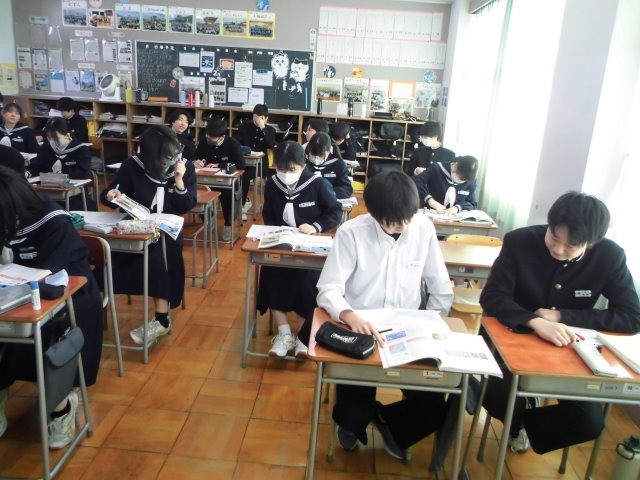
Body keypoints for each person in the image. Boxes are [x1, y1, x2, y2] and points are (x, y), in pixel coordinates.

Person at [479, 191, 640, 454]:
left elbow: (631, 317)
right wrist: (533, 321)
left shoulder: (609, 256)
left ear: (590, 243)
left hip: (570, 350)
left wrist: (562, 316)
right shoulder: (520, 241)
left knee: (588, 423)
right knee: (498, 398)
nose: (558, 249)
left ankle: (525, 423)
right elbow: (493, 296)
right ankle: (516, 421)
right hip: (513, 337)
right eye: (554, 237)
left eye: (571, 246)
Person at [316, 171, 454, 459]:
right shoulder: (352, 232)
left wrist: (431, 321)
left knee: (432, 406)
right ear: (373, 213)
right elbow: (328, 288)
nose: (399, 227)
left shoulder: (423, 228)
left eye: (405, 220)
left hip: (409, 328)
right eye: (390, 222)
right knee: (353, 414)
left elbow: (440, 285)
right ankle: (354, 422)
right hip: (361, 329)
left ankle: (388, 422)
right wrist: (349, 314)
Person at [0, 165, 103, 449]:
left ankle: (62, 406)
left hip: (68, 295)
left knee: (48, 335)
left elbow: (56, 275)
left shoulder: (54, 221)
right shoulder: (7, 216)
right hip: (15, 295)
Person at [100, 125, 197, 345]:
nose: (171, 161)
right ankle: (96, 306)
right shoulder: (132, 165)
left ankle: (161, 318)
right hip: (136, 228)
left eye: (174, 154)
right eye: (165, 158)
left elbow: (185, 206)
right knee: (108, 259)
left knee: (158, 253)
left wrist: (179, 181)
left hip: (168, 230)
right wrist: (111, 194)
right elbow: (108, 196)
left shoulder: (184, 167)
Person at [258, 141, 341, 358]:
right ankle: (284, 333)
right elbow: (269, 214)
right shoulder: (273, 184)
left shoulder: (317, 184)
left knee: (306, 280)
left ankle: (304, 335)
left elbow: (335, 211)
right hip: (284, 244)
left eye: (292, 169)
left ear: (303, 166)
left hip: (310, 245)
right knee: (270, 273)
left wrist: (316, 226)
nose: (286, 174)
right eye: (281, 169)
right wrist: (278, 233)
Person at [194, 118, 245, 242]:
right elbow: (197, 156)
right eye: (207, 136)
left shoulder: (232, 143)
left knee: (228, 196)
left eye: (212, 139)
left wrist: (219, 165)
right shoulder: (204, 142)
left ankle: (228, 223)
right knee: (199, 193)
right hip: (207, 179)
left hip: (225, 181)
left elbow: (241, 164)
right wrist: (198, 162)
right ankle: (208, 218)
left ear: (222, 137)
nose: (208, 140)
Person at [28, 117, 95, 210]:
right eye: (49, 137)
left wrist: (61, 173)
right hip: (48, 192)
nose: (52, 141)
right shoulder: (47, 147)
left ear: (67, 135)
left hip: (74, 196)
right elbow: (37, 165)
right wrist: (27, 172)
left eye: (56, 138)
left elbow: (83, 173)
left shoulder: (81, 149)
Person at [237, 104, 276, 219]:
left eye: (261, 117)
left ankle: (242, 206)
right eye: (255, 117)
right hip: (245, 161)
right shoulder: (244, 126)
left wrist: (262, 127)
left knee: (245, 176)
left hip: (261, 164)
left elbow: (271, 145)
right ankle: (241, 203)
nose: (257, 120)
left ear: (266, 118)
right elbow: (238, 144)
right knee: (237, 174)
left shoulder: (270, 130)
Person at [413, 155, 479, 214]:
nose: (459, 178)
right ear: (455, 165)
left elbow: (472, 203)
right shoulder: (437, 168)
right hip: (432, 213)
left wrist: (457, 208)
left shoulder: (470, 180)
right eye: (458, 173)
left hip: (455, 217)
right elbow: (417, 181)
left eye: (463, 178)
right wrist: (430, 200)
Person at [305, 132, 353, 199]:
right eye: (313, 154)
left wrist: (327, 192)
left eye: (320, 155)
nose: (316, 158)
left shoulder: (338, 164)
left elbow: (347, 189)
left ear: (329, 151)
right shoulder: (304, 162)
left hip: (329, 200)